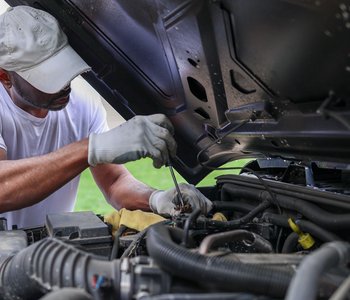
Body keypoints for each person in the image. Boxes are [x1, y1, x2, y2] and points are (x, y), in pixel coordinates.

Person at [0, 5, 212, 228]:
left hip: (51, 250)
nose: (64, 85)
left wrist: (156, 198)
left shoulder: (83, 107)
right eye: (48, 76)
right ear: (5, 76)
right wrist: (91, 148)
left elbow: (114, 182)